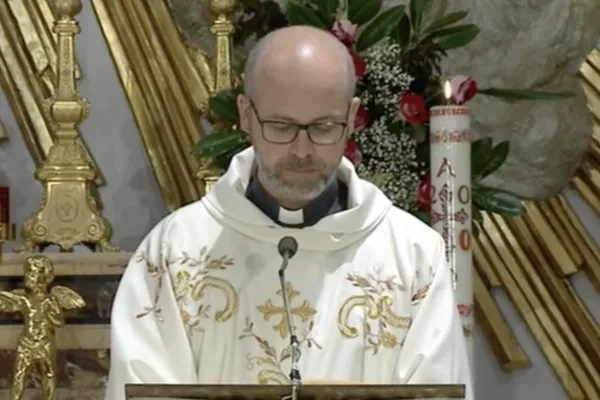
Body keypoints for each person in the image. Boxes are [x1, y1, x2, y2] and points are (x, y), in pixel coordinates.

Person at [105, 25, 473, 400]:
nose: (301, 150)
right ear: (246, 115)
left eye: (323, 127)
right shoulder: (173, 253)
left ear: (351, 118)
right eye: (280, 126)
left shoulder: (412, 257)